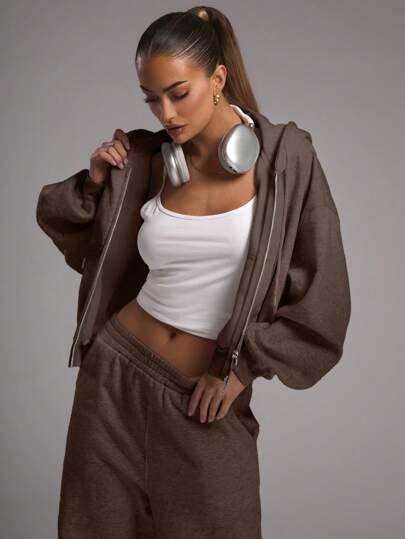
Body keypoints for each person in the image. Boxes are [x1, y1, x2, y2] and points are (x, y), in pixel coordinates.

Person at [36, 6, 351, 539]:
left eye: (178, 94)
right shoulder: (148, 161)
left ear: (218, 78)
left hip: (202, 400)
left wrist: (241, 371)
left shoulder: (286, 161)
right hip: (112, 386)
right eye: (151, 98)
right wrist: (96, 182)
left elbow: (324, 298)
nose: (166, 113)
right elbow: (75, 233)